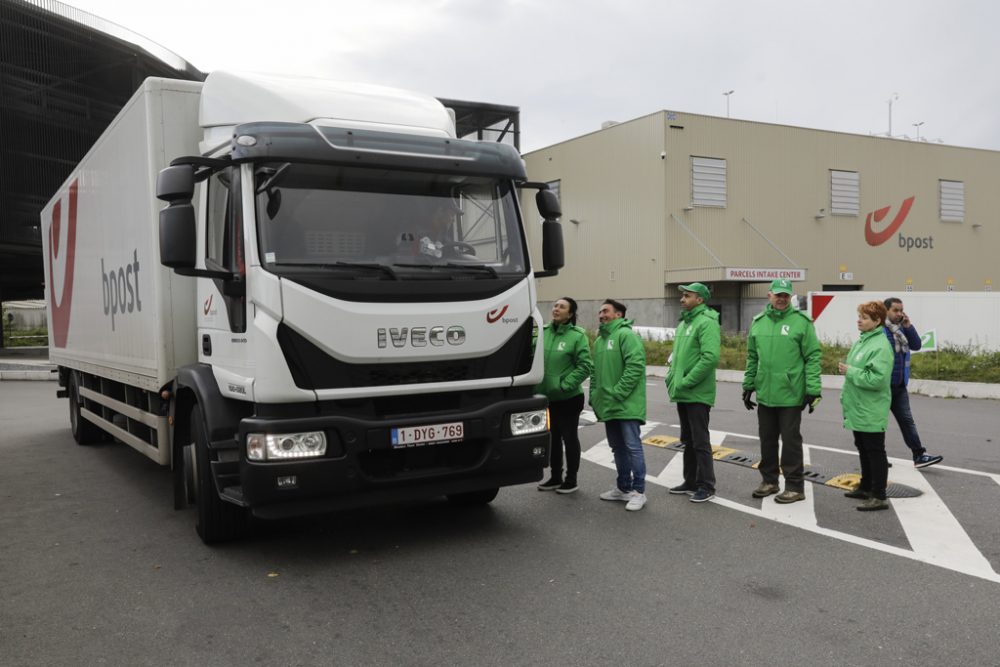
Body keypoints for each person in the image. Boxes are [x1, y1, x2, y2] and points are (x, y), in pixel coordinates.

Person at [742, 278, 822, 504]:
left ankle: (795, 486)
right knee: (767, 440)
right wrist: (748, 385)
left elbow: (813, 356)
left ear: (790, 297)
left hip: (790, 394)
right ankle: (769, 481)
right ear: (769, 295)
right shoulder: (758, 322)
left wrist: (813, 389)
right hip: (765, 393)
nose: (781, 298)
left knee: (790, 442)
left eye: (786, 295)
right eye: (778, 294)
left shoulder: (801, 322)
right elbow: (752, 357)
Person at [590, 298, 648, 511]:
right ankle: (623, 489)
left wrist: (618, 393)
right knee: (617, 448)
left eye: (606, 311)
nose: (601, 315)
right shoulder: (599, 341)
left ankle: (639, 492)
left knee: (633, 446)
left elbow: (635, 366)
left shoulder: (626, 335)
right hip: (609, 403)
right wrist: (595, 395)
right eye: (600, 312)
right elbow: (594, 372)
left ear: (619, 314)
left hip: (626, 403)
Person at [665, 283, 721, 503]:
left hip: (697, 392)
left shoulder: (706, 323)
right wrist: (672, 378)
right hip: (683, 391)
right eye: (682, 295)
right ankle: (690, 481)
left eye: (687, 296)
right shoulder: (684, 324)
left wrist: (687, 381)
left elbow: (710, 358)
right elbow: (676, 357)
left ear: (700, 300)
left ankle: (706, 485)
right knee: (688, 439)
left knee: (700, 440)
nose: (682, 299)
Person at [839, 301, 895, 511]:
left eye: (864, 317)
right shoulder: (863, 341)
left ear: (877, 321)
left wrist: (849, 371)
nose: (859, 320)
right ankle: (866, 487)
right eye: (860, 316)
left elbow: (877, 380)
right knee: (863, 448)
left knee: (875, 450)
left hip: (871, 407)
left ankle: (879, 495)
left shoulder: (880, 345)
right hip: (859, 406)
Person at [536, 297, 593, 494]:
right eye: (555, 305)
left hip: (569, 398)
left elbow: (585, 366)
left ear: (570, 314)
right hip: (547, 398)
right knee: (552, 439)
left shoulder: (577, 336)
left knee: (569, 438)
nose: (556, 309)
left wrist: (564, 385)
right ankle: (555, 477)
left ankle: (571, 479)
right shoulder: (542, 332)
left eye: (562, 307)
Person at [883, 297, 944, 469]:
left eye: (901, 310)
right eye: (895, 310)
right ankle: (878, 457)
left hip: (900, 385)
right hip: (882, 387)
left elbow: (917, 345)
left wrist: (909, 326)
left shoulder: (902, 329)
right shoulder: (880, 330)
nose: (899, 313)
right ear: (886, 310)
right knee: (879, 423)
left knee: (907, 421)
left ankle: (919, 455)